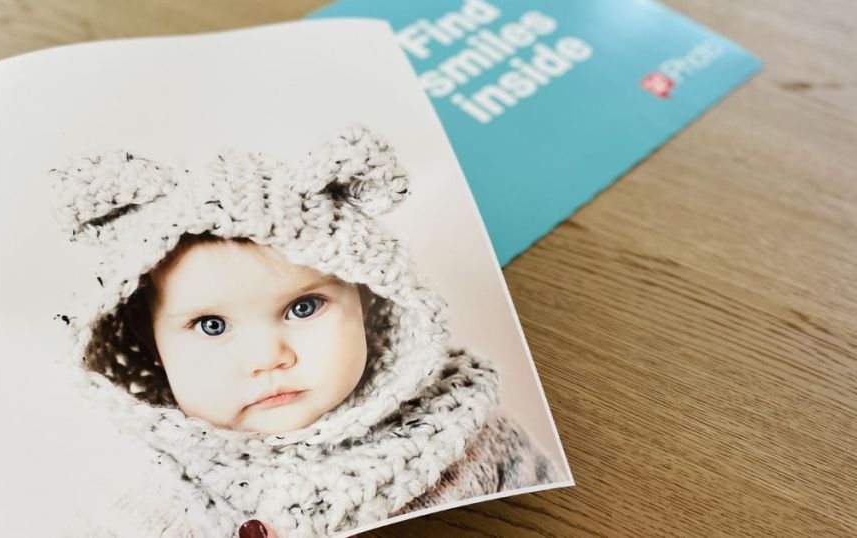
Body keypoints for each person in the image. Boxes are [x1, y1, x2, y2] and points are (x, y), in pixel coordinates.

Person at [52, 126, 559, 537]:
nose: (268, 357)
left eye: (303, 307)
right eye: (211, 325)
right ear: (151, 343)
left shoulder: (468, 430)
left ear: (368, 300)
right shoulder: (137, 490)